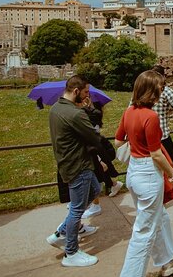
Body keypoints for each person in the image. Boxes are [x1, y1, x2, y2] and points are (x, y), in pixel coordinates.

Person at [116, 70, 173, 277]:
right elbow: (156, 153)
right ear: (151, 91)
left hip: (134, 171)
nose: (162, 92)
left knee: (159, 216)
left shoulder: (128, 112)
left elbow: (118, 141)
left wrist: (136, 142)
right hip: (148, 172)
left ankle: (168, 259)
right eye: (160, 88)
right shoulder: (151, 116)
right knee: (143, 232)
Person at [45, 75, 103, 267]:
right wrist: (87, 112)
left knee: (94, 190)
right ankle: (71, 252)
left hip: (67, 162)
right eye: (86, 92)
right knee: (77, 210)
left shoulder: (56, 108)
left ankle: (61, 233)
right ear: (76, 91)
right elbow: (95, 137)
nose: (88, 96)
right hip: (79, 165)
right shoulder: (76, 114)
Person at [80, 99, 123, 219]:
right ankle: (114, 184)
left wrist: (99, 159)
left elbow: (92, 139)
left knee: (96, 176)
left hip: (96, 151)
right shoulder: (93, 116)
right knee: (98, 175)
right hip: (97, 150)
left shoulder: (92, 117)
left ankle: (95, 205)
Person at [151, 65, 173, 166]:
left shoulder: (143, 89)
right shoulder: (166, 91)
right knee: (170, 164)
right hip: (162, 135)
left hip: (145, 136)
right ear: (163, 76)